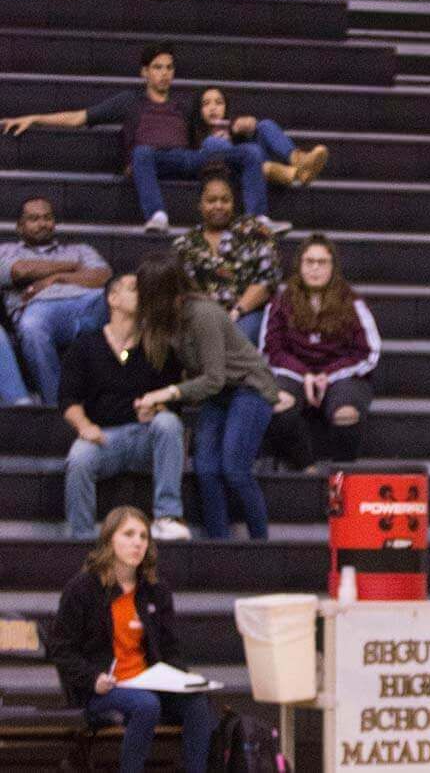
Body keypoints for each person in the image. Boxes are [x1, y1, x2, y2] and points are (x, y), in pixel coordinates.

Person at [0, 42, 288, 234]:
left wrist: (241, 125)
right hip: (154, 158)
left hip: (190, 158)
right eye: (158, 68)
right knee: (141, 153)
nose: (164, 74)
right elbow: (80, 117)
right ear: (145, 72)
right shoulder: (129, 101)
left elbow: (212, 125)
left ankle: (257, 219)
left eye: (169, 68)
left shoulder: (184, 104)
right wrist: (34, 118)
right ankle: (157, 215)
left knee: (249, 151)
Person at [47, 506, 215, 773]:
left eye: (143, 536)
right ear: (110, 539)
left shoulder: (155, 590)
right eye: (128, 534)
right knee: (145, 705)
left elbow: (170, 649)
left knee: (198, 702)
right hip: (103, 690)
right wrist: (92, 679)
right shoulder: (83, 588)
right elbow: (60, 647)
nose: (137, 542)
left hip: (149, 683)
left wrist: (184, 681)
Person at [132, 252, 279, 540]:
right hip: (220, 394)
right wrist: (161, 400)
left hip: (249, 387)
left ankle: (261, 543)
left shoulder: (203, 314)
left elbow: (213, 378)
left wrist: (166, 394)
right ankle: (218, 543)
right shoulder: (165, 323)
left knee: (234, 469)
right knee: (206, 469)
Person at [60, 273, 190, 541]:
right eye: (134, 289)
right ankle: (81, 538)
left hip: (146, 437)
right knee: (79, 458)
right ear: (113, 299)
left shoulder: (157, 346)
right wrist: (84, 426)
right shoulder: (87, 344)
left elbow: (175, 401)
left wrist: (158, 408)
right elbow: (68, 399)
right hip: (106, 437)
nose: (142, 294)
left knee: (168, 424)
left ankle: (166, 515)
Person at [262, 234, 380, 471]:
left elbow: (368, 352)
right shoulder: (281, 303)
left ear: (332, 266)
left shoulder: (352, 302)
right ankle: (306, 467)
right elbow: (270, 350)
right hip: (294, 374)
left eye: (322, 262)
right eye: (309, 261)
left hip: (341, 376)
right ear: (300, 265)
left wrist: (328, 375)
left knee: (346, 413)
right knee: (277, 403)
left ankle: (342, 474)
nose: (315, 268)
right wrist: (304, 375)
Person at [0, 197, 110, 404]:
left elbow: (103, 277)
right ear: (19, 226)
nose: (42, 224)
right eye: (34, 219)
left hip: (89, 302)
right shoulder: (6, 251)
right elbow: (20, 271)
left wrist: (56, 278)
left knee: (124, 298)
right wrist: (71, 266)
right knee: (32, 326)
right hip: (38, 309)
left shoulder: (81, 249)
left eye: (47, 218)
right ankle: (57, 405)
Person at [172, 163, 281, 345]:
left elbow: (267, 281)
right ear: (200, 204)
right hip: (202, 318)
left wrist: (236, 312)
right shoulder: (185, 244)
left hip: (246, 314)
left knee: (237, 336)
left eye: (225, 200)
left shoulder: (254, 232)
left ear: (233, 202)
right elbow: (182, 291)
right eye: (211, 200)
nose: (219, 206)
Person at [189, 85, 327, 187]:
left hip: (257, 167)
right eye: (206, 104)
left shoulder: (235, 128)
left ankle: (298, 160)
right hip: (229, 175)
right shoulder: (194, 133)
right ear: (199, 110)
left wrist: (245, 127)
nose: (213, 108)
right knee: (214, 142)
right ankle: (297, 174)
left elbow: (252, 128)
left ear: (226, 108)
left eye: (219, 103)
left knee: (265, 125)